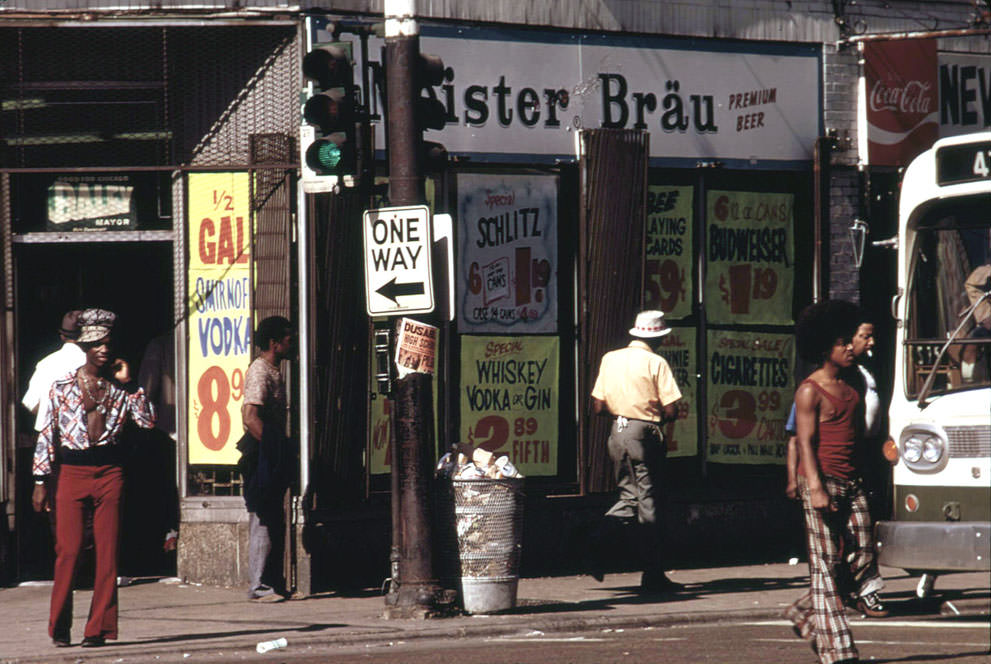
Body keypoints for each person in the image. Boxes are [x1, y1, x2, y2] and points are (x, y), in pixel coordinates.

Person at [31, 308, 156, 648]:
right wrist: (41, 480)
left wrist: (131, 385)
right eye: (97, 343)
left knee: (107, 552)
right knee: (69, 551)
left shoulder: (120, 388)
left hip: (110, 473)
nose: (104, 349)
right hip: (70, 473)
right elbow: (47, 435)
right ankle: (59, 625)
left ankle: (97, 629)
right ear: (85, 347)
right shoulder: (61, 387)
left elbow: (146, 422)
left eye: (108, 343)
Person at [785, 301, 887, 664]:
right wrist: (813, 487)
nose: (850, 348)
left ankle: (803, 611)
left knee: (862, 551)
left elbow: (857, 435)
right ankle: (838, 651)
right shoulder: (810, 391)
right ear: (824, 348)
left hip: (853, 480)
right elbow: (804, 443)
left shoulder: (854, 385)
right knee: (825, 564)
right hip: (822, 480)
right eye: (843, 342)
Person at [589, 310, 683, 593]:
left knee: (632, 496)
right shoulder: (656, 362)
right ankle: (651, 573)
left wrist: (623, 415)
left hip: (617, 433)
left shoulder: (610, 358)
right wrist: (649, 418)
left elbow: (597, 406)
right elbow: (671, 409)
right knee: (649, 502)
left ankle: (598, 540)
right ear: (659, 338)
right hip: (644, 433)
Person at [237, 316, 294, 602]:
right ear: (275, 343)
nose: (290, 345)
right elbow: (250, 416)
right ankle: (259, 586)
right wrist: (273, 450)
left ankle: (272, 582)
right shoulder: (260, 371)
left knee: (273, 517)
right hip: (262, 454)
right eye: (287, 340)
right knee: (262, 518)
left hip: (271, 451)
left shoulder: (274, 370)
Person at [22, 310, 85, 432]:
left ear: (62, 336)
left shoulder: (45, 364)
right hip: (81, 438)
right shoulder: (92, 363)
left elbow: (31, 403)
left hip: (51, 436)